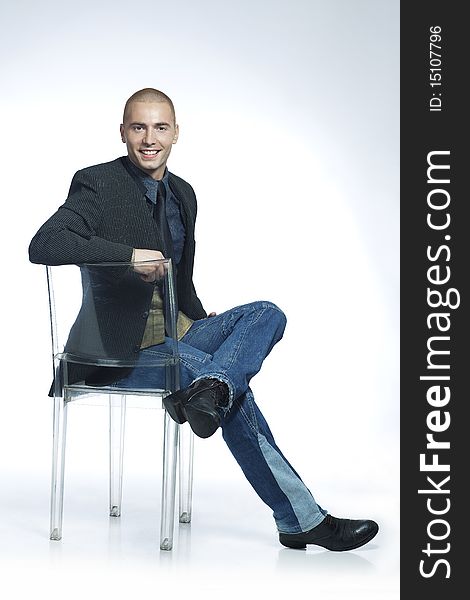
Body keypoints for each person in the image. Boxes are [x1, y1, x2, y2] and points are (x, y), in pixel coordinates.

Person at [29, 88, 379, 551]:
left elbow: (182, 276)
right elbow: (43, 245)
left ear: (176, 133)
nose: (149, 139)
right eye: (138, 127)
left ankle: (212, 389)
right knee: (227, 388)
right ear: (122, 133)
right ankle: (300, 518)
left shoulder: (183, 194)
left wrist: (198, 316)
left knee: (266, 313)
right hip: (119, 349)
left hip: (181, 331)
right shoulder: (97, 184)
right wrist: (126, 257)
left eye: (159, 127)